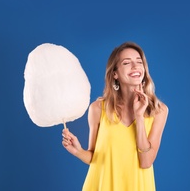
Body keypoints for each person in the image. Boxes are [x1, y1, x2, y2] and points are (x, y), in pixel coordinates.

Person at [62, 41, 168, 191]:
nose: (135, 66)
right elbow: (94, 157)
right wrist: (78, 151)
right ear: (115, 74)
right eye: (126, 63)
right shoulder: (98, 108)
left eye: (139, 62)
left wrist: (139, 117)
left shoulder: (159, 110)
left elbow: (145, 162)